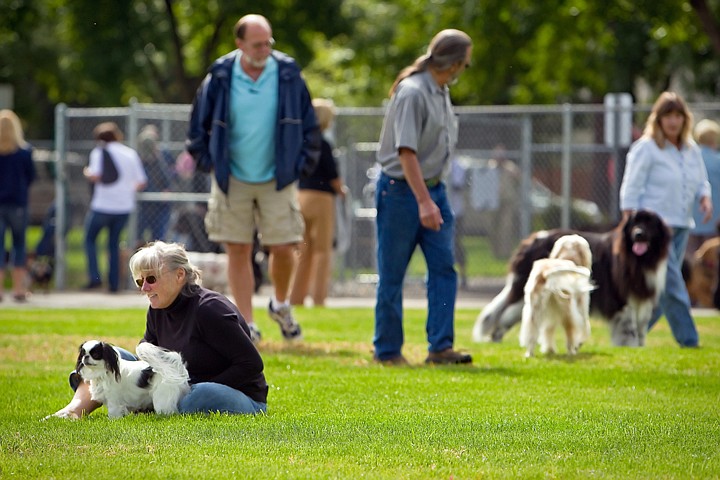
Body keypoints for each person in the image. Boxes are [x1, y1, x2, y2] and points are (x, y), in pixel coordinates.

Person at [186, 14, 320, 343]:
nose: (265, 49)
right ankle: (247, 323)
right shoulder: (220, 75)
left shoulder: (287, 73)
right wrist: (210, 163)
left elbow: (309, 124)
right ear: (240, 44)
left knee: (285, 247)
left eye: (268, 42)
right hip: (232, 176)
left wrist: (300, 165)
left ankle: (280, 303)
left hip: (278, 176)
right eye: (258, 44)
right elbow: (197, 125)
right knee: (238, 248)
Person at [47, 241, 268, 419]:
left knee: (196, 397)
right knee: (108, 356)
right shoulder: (158, 307)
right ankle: (74, 410)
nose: (145, 288)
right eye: (139, 281)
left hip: (239, 395)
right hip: (168, 384)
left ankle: (154, 403)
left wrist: (186, 385)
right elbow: (150, 360)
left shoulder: (210, 310)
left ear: (180, 275)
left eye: (151, 279)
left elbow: (251, 365)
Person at [373, 29, 474, 365]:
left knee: (444, 268)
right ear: (455, 63)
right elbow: (406, 152)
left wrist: (433, 196)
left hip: (434, 189)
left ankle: (440, 347)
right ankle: (387, 351)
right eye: (466, 63)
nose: (466, 69)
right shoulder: (413, 92)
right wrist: (424, 202)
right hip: (402, 192)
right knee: (392, 273)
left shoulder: (440, 91)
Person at [619, 91, 710, 347]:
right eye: (667, 115)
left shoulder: (691, 150)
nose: (673, 121)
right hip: (655, 230)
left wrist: (705, 197)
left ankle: (631, 335)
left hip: (681, 223)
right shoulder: (647, 148)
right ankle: (689, 339)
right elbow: (631, 185)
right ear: (658, 119)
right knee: (673, 283)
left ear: (685, 119)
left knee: (660, 290)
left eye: (677, 115)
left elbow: (701, 180)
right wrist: (629, 218)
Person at [289, 98, 347, 307]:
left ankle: (295, 298)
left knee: (303, 251)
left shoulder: (300, 142)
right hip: (321, 199)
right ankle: (319, 298)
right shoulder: (323, 143)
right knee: (322, 251)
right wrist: (341, 190)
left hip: (301, 196)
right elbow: (332, 175)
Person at [83, 122, 147, 292]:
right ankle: (114, 284)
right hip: (124, 207)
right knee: (113, 244)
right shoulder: (130, 153)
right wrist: (125, 190)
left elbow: (95, 175)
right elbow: (141, 181)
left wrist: (87, 172)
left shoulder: (99, 152)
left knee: (89, 239)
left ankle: (94, 276)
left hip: (102, 205)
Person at [0, 109, 35, 302]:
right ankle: (18, 289)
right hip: (18, 203)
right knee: (19, 245)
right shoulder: (24, 152)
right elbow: (31, 177)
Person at [136, 125, 174, 245]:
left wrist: (157, 156)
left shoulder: (162, 155)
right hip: (143, 203)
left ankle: (157, 261)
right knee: (138, 234)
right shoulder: (138, 158)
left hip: (159, 203)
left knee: (158, 237)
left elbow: (169, 178)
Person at [687, 119, 720, 256]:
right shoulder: (718, 161)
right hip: (714, 217)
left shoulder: (689, 159)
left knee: (689, 256)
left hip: (690, 216)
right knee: (711, 257)